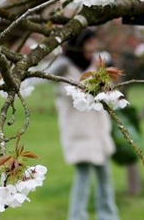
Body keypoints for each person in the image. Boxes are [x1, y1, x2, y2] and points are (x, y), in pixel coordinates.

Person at [45, 29, 120, 220]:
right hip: (78, 130)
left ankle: (108, 215)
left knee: (105, 176)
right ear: (79, 43)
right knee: (83, 176)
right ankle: (77, 216)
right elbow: (46, 78)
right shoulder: (66, 65)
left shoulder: (99, 62)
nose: (93, 45)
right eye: (89, 41)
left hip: (99, 128)